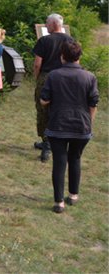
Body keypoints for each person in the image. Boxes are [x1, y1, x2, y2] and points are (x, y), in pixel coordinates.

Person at [39, 40, 98, 213]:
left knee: (59, 162)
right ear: (79, 56)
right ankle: (73, 195)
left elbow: (44, 100)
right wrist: (89, 124)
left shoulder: (53, 75)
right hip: (82, 126)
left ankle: (59, 203)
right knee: (75, 158)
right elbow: (93, 103)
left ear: (62, 56)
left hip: (58, 124)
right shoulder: (90, 77)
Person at [32, 13, 73, 162]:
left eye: (47, 23)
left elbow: (37, 64)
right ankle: (53, 143)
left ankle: (46, 143)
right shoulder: (70, 40)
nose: (46, 25)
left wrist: (37, 79)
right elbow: (75, 61)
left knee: (43, 111)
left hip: (46, 77)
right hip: (65, 79)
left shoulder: (44, 40)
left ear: (53, 24)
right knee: (59, 110)